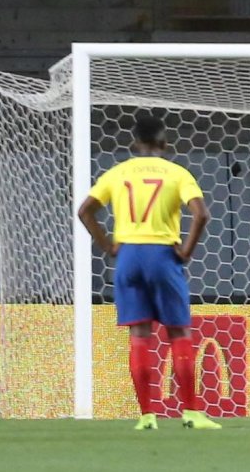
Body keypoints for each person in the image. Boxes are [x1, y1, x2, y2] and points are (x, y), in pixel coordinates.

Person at [76, 115, 220, 431]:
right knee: (178, 332)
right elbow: (201, 214)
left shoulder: (117, 173)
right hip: (162, 255)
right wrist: (186, 251)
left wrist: (108, 246)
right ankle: (192, 413)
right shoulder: (176, 173)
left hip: (128, 256)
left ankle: (146, 416)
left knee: (139, 335)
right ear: (164, 144)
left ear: (133, 144)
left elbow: (84, 210)